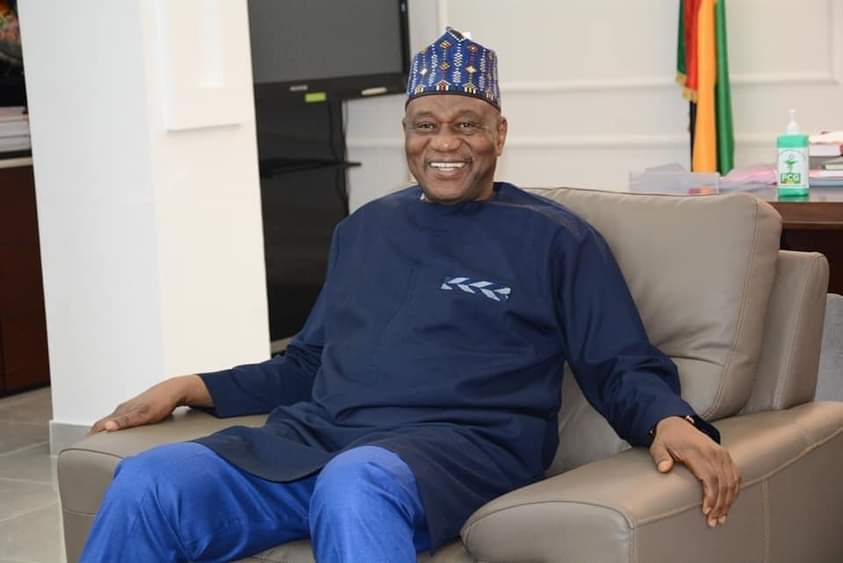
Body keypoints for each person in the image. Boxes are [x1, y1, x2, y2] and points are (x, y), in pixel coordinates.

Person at [82, 29, 740, 563]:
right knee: (149, 482)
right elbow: (307, 364)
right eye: (425, 124)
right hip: (318, 442)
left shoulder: (556, 239)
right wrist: (192, 385)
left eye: (466, 124)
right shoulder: (362, 229)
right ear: (405, 132)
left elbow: (617, 361)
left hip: (461, 451)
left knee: (354, 483)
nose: (444, 143)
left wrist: (668, 420)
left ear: (500, 133)